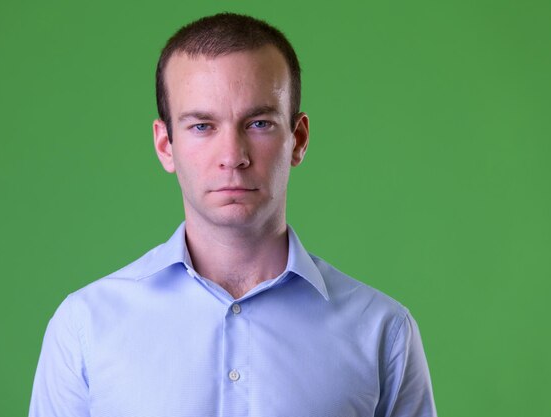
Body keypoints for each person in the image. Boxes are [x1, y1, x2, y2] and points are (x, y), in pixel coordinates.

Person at [29, 13, 437, 417]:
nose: (232, 157)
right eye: (203, 126)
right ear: (165, 145)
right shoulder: (84, 327)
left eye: (258, 123)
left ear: (298, 139)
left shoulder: (383, 332)